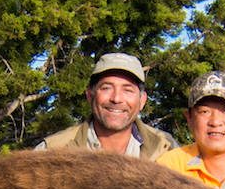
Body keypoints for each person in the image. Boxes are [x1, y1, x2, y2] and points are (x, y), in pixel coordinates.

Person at [36, 52, 177, 159]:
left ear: (142, 100)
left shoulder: (166, 149)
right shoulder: (52, 152)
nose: (116, 98)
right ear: (90, 95)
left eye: (127, 90)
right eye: (106, 88)